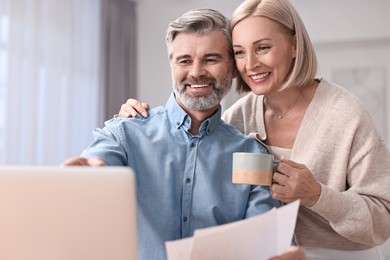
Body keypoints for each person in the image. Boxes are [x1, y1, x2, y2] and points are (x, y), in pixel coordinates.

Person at [117, 0, 390, 259]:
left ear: (294, 45)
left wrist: (317, 195)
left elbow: (384, 217)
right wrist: (133, 120)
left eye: (263, 48)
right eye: (239, 52)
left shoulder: (345, 115)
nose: (250, 64)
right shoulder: (239, 117)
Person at [62, 8, 307, 260]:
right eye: (184, 60)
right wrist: (90, 172)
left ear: (233, 68)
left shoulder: (250, 153)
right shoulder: (126, 133)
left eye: (211, 59)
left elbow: (263, 236)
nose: (196, 72)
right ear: (171, 65)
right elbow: (98, 162)